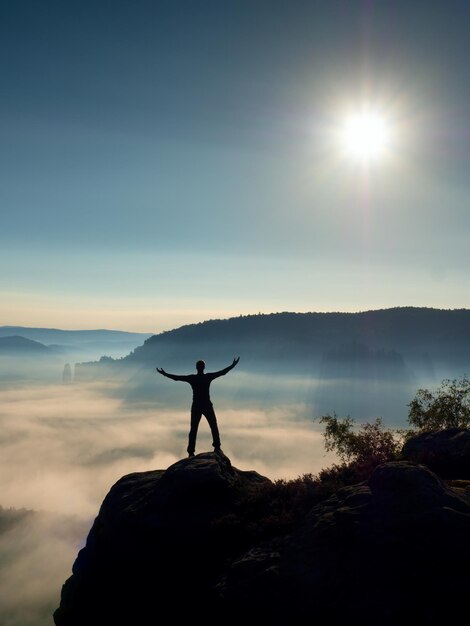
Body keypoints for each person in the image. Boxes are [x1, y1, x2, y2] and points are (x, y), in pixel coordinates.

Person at [156, 357, 240, 457]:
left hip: (197, 405)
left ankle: (191, 451)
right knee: (213, 425)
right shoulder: (207, 377)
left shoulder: (193, 378)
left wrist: (164, 374)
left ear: (197, 368)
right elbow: (222, 372)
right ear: (204, 367)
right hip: (206, 405)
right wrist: (233, 365)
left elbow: (177, 378)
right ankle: (216, 446)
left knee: (194, 429)